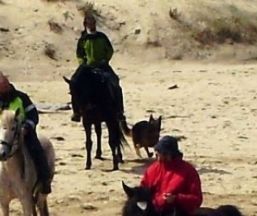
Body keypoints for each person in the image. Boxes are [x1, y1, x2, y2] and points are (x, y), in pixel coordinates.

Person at [0, 72, 52, 194]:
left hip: (23, 133)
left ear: (8, 85)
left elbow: (33, 114)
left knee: (37, 151)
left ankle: (44, 180)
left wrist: (27, 127)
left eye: (4, 86)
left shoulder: (21, 97)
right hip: (3, 134)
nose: (3, 90)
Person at [71, 14, 125, 122]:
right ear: (85, 25)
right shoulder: (83, 39)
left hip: (103, 66)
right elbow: (79, 54)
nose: (92, 26)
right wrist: (83, 63)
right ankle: (76, 112)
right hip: (87, 67)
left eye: (93, 23)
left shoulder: (102, 37)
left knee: (115, 82)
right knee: (74, 82)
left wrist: (105, 60)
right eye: (89, 24)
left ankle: (119, 111)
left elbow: (109, 50)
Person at [140, 135, 203, 216]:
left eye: (164, 155)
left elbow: (196, 199)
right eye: (158, 155)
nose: (159, 158)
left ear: (173, 155)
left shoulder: (188, 171)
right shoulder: (152, 170)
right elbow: (142, 193)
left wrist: (176, 199)